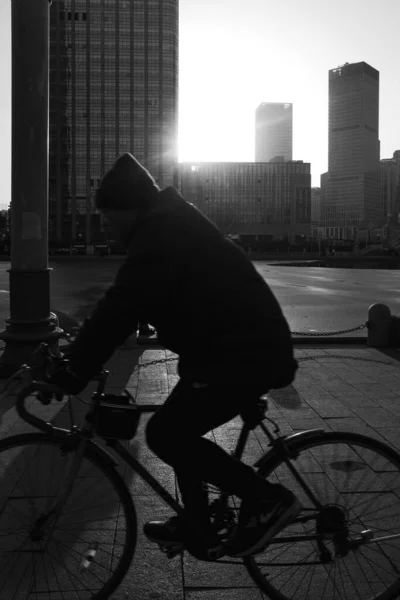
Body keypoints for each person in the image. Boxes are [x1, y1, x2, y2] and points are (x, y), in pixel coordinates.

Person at [50, 153, 301, 558]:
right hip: (230, 351)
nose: (109, 227)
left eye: (110, 217)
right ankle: (197, 521)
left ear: (130, 208)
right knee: (179, 428)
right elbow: (137, 303)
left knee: (166, 434)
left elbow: (121, 305)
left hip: (242, 354)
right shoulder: (168, 224)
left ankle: (267, 500)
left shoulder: (162, 232)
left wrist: (75, 370)